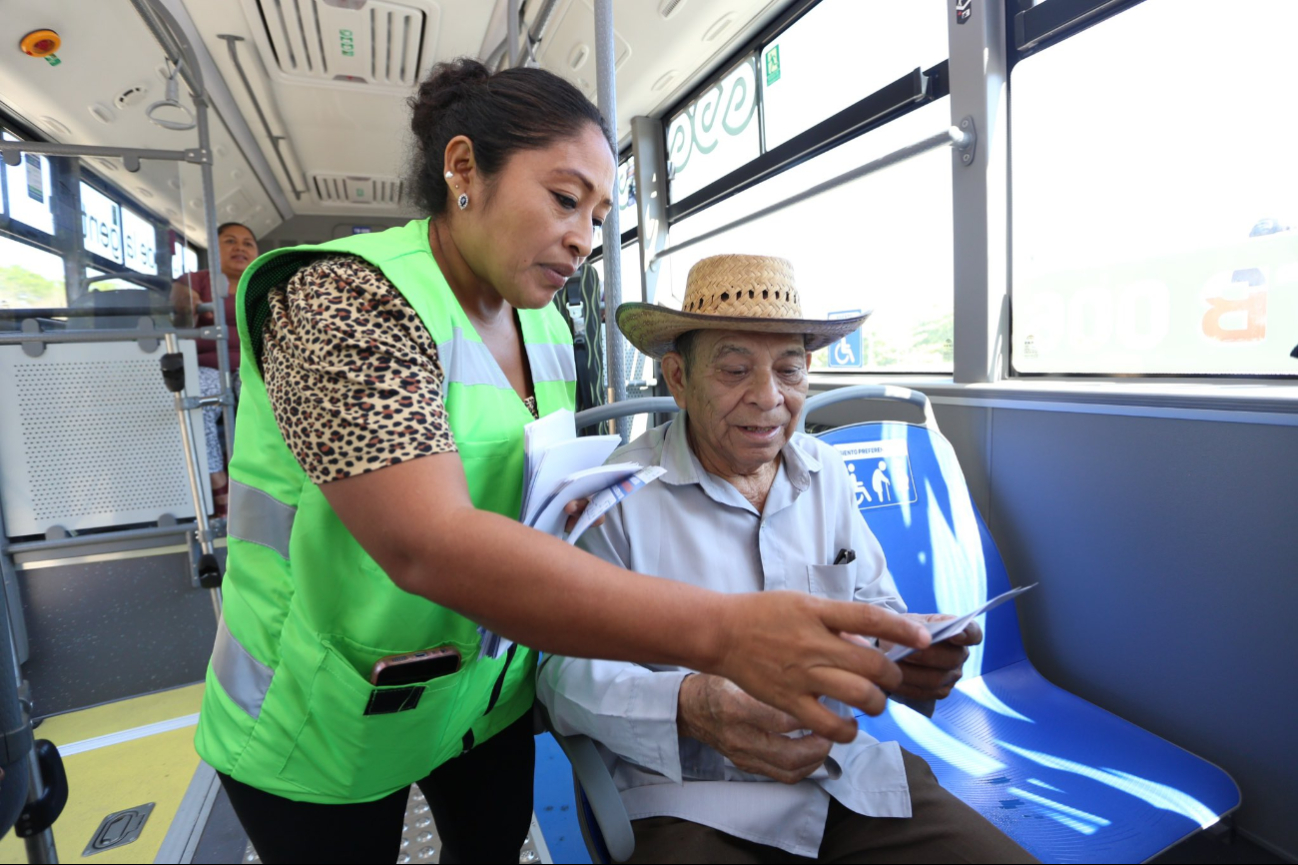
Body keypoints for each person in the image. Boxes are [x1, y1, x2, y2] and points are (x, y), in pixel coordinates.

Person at [193, 61, 932, 864]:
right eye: (564, 198)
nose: (585, 236)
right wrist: (723, 632)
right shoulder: (342, 299)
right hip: (321, 710)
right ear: (465, 169)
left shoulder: (544, 326)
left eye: (600, 212)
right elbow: (425, 541)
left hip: (478, 697)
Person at [538, 254, 1037, 863]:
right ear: (677, 378)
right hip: (688, 800)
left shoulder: (827, 474)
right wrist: (692, 706)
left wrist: (906, 651)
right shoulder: (614, 497)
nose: (769, 398)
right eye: (734, 370)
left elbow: (872, 605)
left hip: (841, 778)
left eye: (789, 370)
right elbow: (561, 675)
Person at [171, 222, 257, 515]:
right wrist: (186, 303)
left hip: (252, 367)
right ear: (213, 250)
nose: (240, 248)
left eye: (247, 244)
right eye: (230, 241)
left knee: (265, 402)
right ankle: (218, 483)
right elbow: (179, 321)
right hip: (207, 365)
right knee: (196, 403)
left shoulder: (262, 283)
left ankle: (261, 483)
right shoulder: (194, 281)